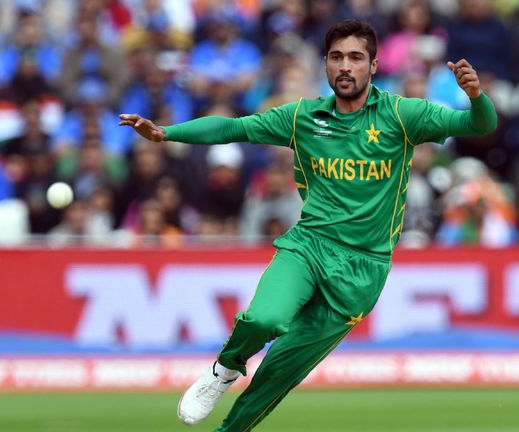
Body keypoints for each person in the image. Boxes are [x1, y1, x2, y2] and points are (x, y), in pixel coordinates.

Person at [120, 19, 496, 431]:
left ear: (373, 65)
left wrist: (476, 97)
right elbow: (233, 128)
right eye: (337, 57)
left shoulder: (403, 115)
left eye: (356, 57)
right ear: (326, 65)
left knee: (277, 375)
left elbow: (480, 125)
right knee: (262, 319)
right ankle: (224, 369)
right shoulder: (303, 116)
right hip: (308, 246)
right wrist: (165, 133)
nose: (345, 66)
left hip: (362, 271)